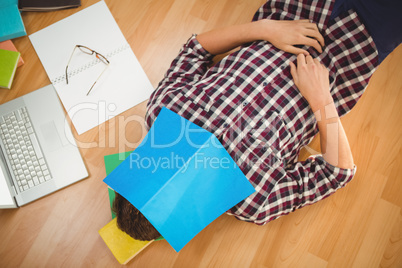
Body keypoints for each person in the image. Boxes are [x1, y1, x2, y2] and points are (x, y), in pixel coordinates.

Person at [113, 0, 402, 241]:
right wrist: (321, 100)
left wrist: (264, 29)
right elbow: (337, 174)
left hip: (294, 10)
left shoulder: (163, 111)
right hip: (354, 47)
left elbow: (195, 49)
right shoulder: (254, 201)